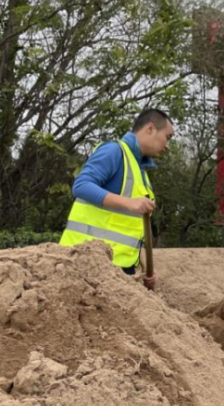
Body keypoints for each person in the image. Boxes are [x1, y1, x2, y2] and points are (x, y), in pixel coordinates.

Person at [60, 108, 173, 289]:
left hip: (117, 270)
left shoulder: (139, 171)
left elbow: (134, 230)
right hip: (85, 263)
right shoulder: (114, 151)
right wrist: (130, 203)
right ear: (150, 129)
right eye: (168, 137)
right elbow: (81, 185)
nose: (167, 145)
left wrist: (145, 268)